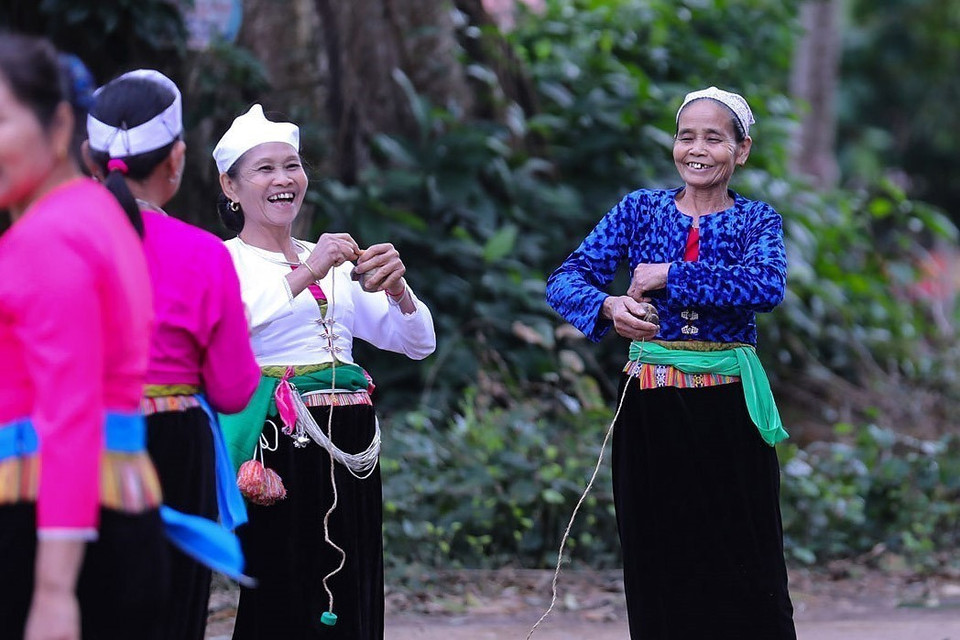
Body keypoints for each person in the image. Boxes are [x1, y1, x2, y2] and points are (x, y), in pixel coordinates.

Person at [545, 86, 796, 639]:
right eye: (687, 136)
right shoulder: (639, 211)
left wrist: (667, 276)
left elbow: (767, 284)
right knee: (659, 547)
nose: (697, 149)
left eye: (715, 138)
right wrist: (609, 307)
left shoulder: (756, 221)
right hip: (652, 404)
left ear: (742, 151)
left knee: (745, 551)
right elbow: (564, 281)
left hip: (731, 409)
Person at [212, 104, 436, 639]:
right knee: (284, 582)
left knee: (353, 577)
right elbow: (230, 325)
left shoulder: (331, 262)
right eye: (264, 169)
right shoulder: (224, 261)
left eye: (292, 165)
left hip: (351, 443)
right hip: (277, 447)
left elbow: (417, 343)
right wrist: (308, 270)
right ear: (231, 185)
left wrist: (399, 288)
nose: (284, 179)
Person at [83, 69, 262, 639]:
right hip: (171, 451)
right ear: (176, 159)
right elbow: (235, 390)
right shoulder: (204, 255)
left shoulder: (43, 241)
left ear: (90, 157)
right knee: (167, 614)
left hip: (69, 442)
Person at [0, 34, 167, 639]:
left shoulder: (49, 238)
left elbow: (72, 414)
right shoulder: (98, 216)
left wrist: (52, 593)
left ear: (60, 123)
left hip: (53, 531)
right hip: (107, 514)